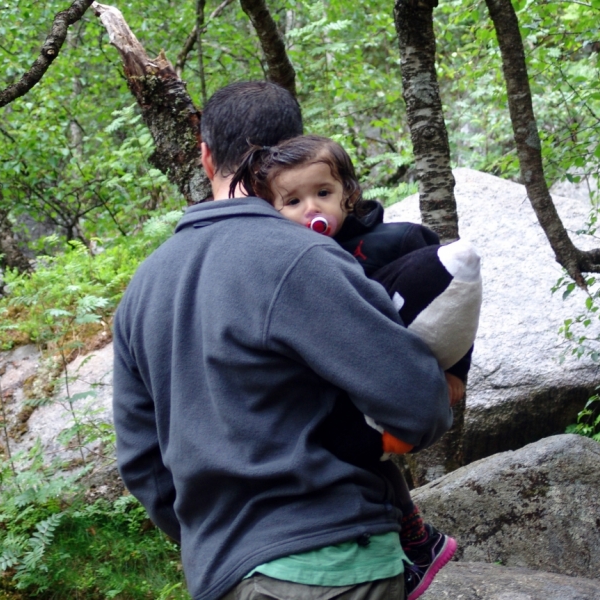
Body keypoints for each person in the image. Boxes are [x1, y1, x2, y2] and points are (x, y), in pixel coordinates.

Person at [112, 80, 453, 600]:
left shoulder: (144, 287)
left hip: (219, 572)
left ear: (206, 157)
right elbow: (417, 402)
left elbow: (142, 463)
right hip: (334, 560)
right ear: (290, 151)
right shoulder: (302, 257)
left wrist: (217, 541)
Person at [229, 135, 482, 600]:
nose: (311, 209)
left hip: (388, 377)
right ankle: (417, 540)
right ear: (271, 209)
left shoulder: (392, 240)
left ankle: (414, 540)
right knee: (356, 456)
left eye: (322, 193)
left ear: (347, 191)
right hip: (336, 385)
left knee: (361, 455)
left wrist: (455, 373)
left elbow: (452, 294)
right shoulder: (285, 261)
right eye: (293, 201)